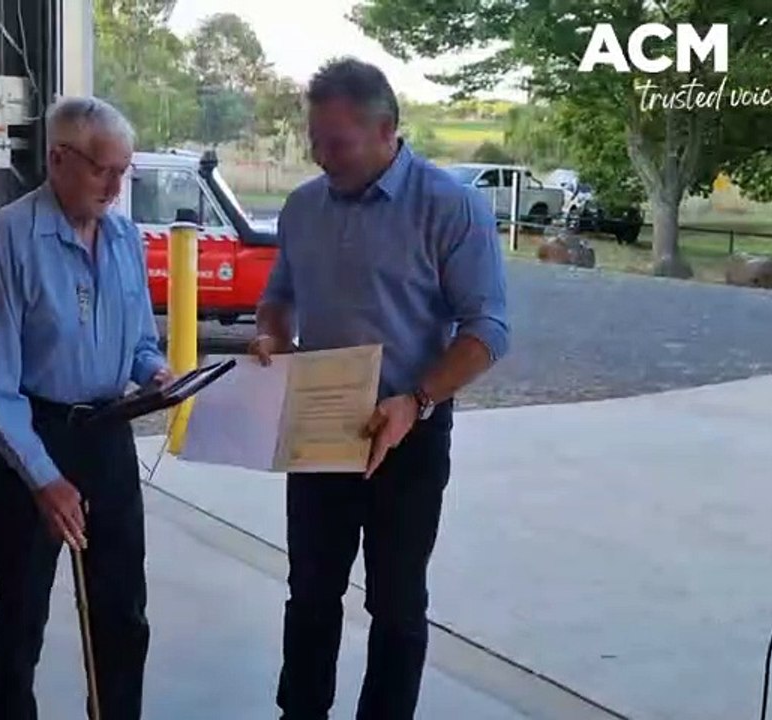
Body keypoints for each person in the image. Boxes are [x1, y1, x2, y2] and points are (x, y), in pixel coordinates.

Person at [252, 58, 510, 720]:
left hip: (409, 429)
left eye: (335, 142)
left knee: (396, 600)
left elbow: (488, 330)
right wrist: (272, 340)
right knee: (310, 588)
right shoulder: (304, 207)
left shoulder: (450, 207)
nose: (320, 154)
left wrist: (417, 400)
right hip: (318, 427)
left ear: (386, 129)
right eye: (315, 139)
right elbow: (279, 299)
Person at [0, 95, 173, 720]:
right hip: (28, 439)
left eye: (123, 171)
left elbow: (140, 339)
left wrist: (155, 372)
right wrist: (44, 478)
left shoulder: (123, 236)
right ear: (58, 159)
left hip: (107, 438)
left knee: (122, 611)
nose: (115, 187)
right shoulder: (10, 235)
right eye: (101, 170)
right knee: (19, 619)